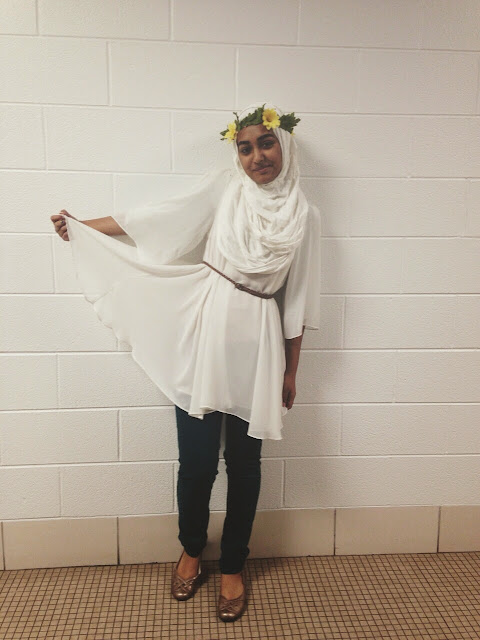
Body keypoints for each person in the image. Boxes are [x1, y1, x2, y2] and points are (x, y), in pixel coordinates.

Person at [50, 102, 321, 622]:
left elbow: (299, 300)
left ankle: (234, 564)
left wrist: (291, 370)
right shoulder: (226, 190)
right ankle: (192, 548)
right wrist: (84, 225)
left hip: (260, 346)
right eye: (245, 148)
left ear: (285, 145)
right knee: (197, 463)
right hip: (204, 334)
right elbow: (160, 217)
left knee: (245, 466)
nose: (257, 156)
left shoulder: (305, 217)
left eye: (266, 143)